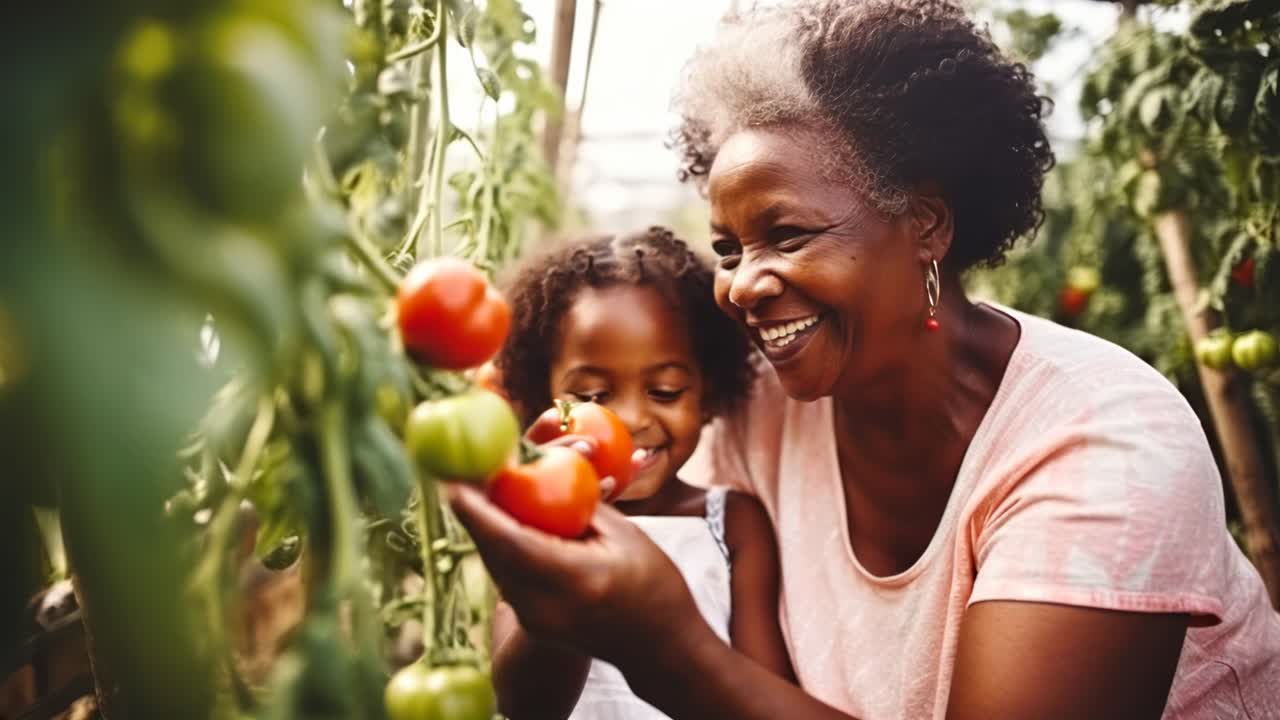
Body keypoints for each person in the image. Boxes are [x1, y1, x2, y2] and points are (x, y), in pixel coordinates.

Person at [448, 1, 1280, 718]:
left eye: (788, 234)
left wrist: (665, 644)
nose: (741, 284)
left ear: (925, 225)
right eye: (729, 246)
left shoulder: (1105, 445)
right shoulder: (757, 405)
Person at [489, 228, 796, 719]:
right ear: (540, 394)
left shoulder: (731, 523)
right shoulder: (533, 526)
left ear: (707, 391)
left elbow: (761, 694)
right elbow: (526, 705)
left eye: (666, 391)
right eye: (590, 396)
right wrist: (568, 533)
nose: (630, 419)